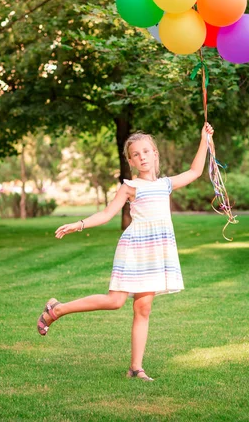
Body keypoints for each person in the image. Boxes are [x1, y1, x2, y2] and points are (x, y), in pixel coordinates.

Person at [37, 122, 214, 381]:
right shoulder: (130, 186)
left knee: (143, 310)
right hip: (135, 249)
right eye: (135, 154)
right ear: (130, 161)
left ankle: (135, 368)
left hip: (156, 251)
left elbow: (196, 171)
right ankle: (57, 310)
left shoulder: (165, 184)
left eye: (146, 151)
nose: (142, 157)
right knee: (115, 301)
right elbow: (108, 214)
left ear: (155, 154)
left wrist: (205, 140)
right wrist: (80, 224)